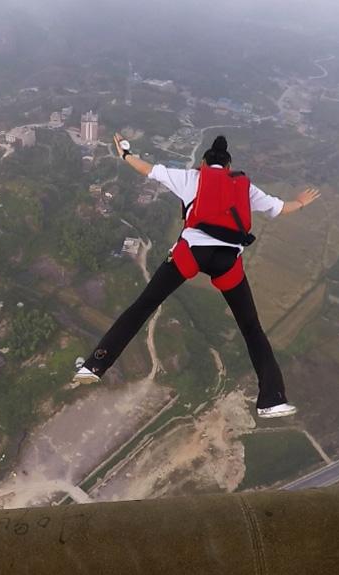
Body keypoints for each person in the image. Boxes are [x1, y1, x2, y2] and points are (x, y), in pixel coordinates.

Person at [73, 133, 321, 418]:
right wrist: (301, 202)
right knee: (251, 328)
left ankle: (96, 364)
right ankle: (272, 397)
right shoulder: (244, 187)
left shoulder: (192, 178)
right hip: (228, 262)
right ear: (228, 168)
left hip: (190, 254)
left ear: (203, 163)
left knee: (144, 305)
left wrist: (126, 154)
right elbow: (281, 209)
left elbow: (148, 169)